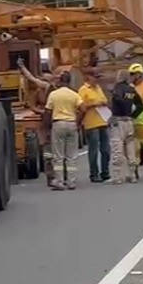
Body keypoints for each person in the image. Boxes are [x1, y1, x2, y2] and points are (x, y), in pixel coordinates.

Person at [18, 58, 58, 187]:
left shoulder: (50, 89)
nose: (41, 83)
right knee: (51, 151)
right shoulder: (52, 90)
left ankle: (54, 176)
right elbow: (32, 105)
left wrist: (22, 67)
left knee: (51, 151)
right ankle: (56, 176)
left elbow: (31, 78)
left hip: (52, 123)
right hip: (51, 122)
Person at [44, 71, 82, 190]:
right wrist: (78, 122)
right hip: (71, 124)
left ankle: (59, 181)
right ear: (69, 81)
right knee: (71, 156)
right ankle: (72, 182)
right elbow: (83, 109)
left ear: (60, 81)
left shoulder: (54, 95)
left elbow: (48, 112)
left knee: (58, 156)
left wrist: (48, 128)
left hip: (58, 123)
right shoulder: (74, 95)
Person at [109, 69, 143, 184]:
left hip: (118, 122)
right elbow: (140, 106)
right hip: (129, 122)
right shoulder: (131, 89)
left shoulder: (117, 88)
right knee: (130, 149)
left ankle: (117, 176)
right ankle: (132, 175)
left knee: (117, 148)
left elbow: (118, 99)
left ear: (119, 77)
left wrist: (119, 113)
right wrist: (131, 115)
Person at [78, 69, 111, 183]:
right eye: (95, 77)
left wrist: (104, 103)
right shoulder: (83, 90)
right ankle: (94, 174)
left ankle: (105, 172)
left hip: (103, 121)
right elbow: (81, 105)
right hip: (91, 123)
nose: (97, 79)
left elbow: (104, 100)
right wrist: (94, 104)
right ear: (89, 77)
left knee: (106, 149)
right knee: (93, 150)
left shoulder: (98, 88)